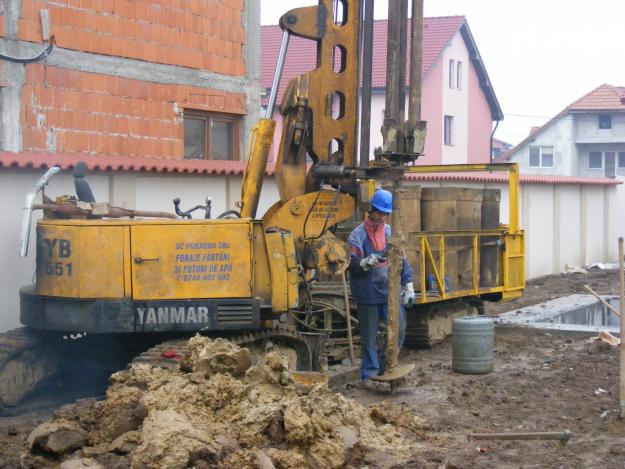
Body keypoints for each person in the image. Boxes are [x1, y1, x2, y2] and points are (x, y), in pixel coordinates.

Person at [347, 189, 415, 387]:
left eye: (385, 214)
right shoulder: (357, 236)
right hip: (367, 293)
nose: (381, 217)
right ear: (371, 210)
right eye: (378, 213)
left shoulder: (389, 233)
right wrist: (364, 263)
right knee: (369, 336)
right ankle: (369, 374)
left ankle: (388, 366)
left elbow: (402, 261)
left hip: (389, 292)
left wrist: (408, 286)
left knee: (399, 328)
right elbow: (349, 263)